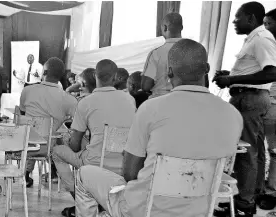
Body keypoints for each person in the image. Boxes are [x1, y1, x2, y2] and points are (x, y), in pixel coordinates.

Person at [76, 39, 243, 217]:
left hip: (145, 209)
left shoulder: (151, 108)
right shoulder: (233, 115)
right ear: (207, 69)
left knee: (84, 175)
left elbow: (130, 173)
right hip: (199, 211)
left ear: (169, 71)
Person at [213, 2, 276, 216]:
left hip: (250, 100)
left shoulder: (261, 39)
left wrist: (232, 79)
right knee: (252, 150)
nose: (233, 21)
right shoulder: (254, 39)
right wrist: (231, 77)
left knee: (244, 151)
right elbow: (255, 70)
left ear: (250, 18)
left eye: (237, 17)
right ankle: (250, 195)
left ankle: (244, 202)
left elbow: (271, 73)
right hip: (248, 98)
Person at [54, 59, 136, 217]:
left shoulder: (86, 102)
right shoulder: (130, 100)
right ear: (114, 78)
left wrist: (66, 139)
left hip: (95, 164)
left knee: (57, 151)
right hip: (124, 164)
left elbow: (75, 146)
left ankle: (77, 195)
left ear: (95, 76)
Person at [19, 57, 77, 188]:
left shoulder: (27, 90)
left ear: (44, 73)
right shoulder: (69, 99)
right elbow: (78, 123)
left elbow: (23, 115)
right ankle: (57, 175)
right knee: (59, 136)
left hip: (23, 146)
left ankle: (26, 173)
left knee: (33, 133)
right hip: (50, 148)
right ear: (62, 75)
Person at [141, 12, 183, 99]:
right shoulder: (194, 50)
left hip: (159, 99)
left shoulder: (156, 53)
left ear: (165, 27)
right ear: (182, 28)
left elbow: (146, 86)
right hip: (186, 99)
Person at [260, 8, 276, 211]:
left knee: (253, 147)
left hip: (271, 103)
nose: (264, 28)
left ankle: (268, 191)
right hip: (270, 102)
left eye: (268, 24)